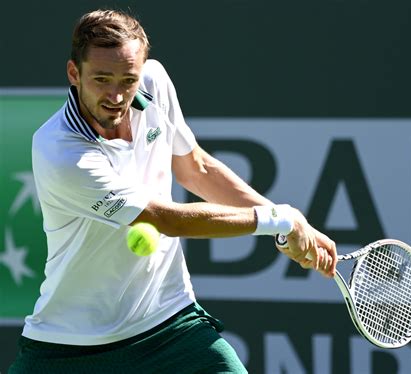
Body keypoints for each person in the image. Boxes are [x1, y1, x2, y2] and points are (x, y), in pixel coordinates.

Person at [9, 8, 337, 374]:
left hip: (168, 323)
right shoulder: (61, 151)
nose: (116, 95)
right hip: (69, 346)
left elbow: (195, 168)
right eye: (101, 79)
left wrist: (287, 226)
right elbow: (164, 218)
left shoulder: (154, 83)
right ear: (74, 73)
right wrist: (279, 219)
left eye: (127, 80)